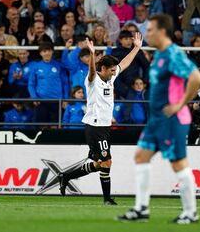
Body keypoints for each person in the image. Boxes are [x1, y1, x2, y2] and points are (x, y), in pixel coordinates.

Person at [117, 14, 200, 224]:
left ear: (162, 32)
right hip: (156, 120)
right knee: (140, 156)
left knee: (178, 163)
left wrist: (180, 104)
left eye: (150, 30)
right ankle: (141, 209)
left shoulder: (173, 54)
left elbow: (197, 78)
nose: (146, 34)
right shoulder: (159, 55)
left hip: (172, 119)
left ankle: (191, 212)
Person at [57, 32, 144, 205]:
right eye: (111, 70)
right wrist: (91, 54)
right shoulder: (93, 80)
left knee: (98, 164)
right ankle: (107, 199)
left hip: (104, 127)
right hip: (95, 127)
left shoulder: (110, 78)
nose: (114, 73)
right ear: (102, 69)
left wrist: (136, 48)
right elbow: (91, 71)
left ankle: (65, 176)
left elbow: (124, 64)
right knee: (106, 161)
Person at [28, 42, 69, 123]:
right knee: (41, 126)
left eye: (49, 51)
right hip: (41, 101)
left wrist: (65, 99)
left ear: (52, 51)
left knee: (55, 126)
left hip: (57, 101)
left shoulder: (58, 65)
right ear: (40, 53)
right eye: (44, 51)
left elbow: (65, 83)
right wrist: (34, 97)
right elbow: (31, 84)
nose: (47, 53)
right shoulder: (36, 66)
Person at [112, 30, 149, 97]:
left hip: (134, 86)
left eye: (130, 39)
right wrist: (117, 84)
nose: (129, 41)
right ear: (120, 40)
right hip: (118, 86)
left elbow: (146, 66)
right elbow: (112, 70)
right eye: (126, 39)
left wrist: (145, 81)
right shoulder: (115, 52)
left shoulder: (137, 51)